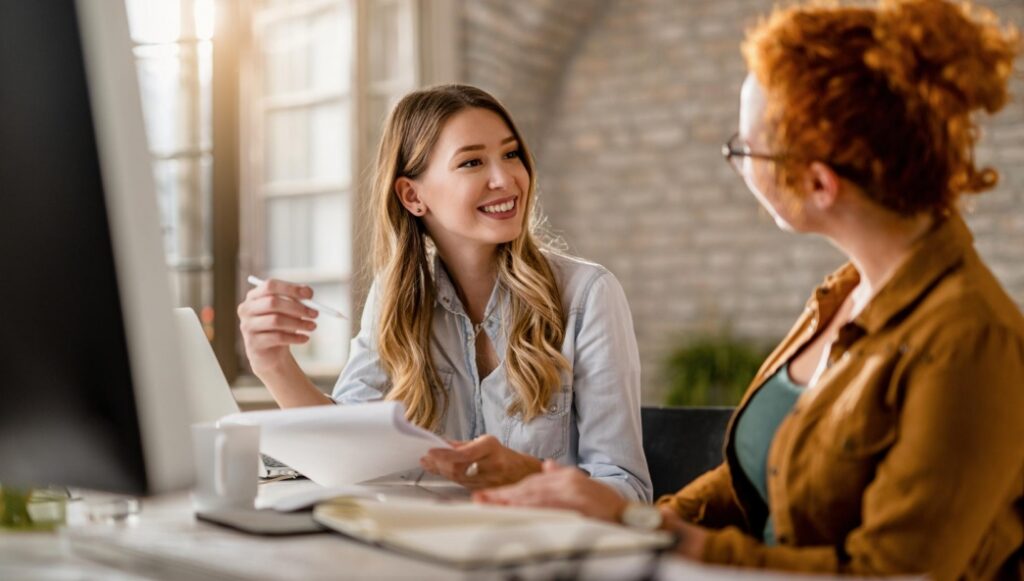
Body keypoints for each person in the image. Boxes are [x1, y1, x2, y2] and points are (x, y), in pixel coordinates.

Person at [474, 0, 1024, 577]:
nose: (738, 164)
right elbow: (751, 483)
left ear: (819, 183)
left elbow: (888, 573)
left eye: (743, 149)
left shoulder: (971, 342)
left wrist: (651, 530)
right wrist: (612, 515)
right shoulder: (841, 297)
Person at [237, 84, 652, 501]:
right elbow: (343, 452)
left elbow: (628, 491)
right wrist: (274, 365)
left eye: (511, 154)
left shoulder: (587, 295)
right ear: (412, 195)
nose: (505, 178)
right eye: (472, 161)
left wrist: (523, 474)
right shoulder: (396, 298)